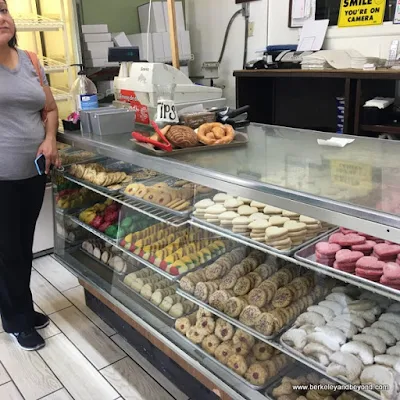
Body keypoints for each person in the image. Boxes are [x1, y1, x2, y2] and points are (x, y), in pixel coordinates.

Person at [0, 0, 61, 350]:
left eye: (4, 10)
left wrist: (50, 138)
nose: (2, 18)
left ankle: (20, 308)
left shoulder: (31, 61)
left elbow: (49, 107)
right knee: (9, 251)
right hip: (2, 179)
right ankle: (17, 319)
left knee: (22, 246)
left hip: (33, 173)